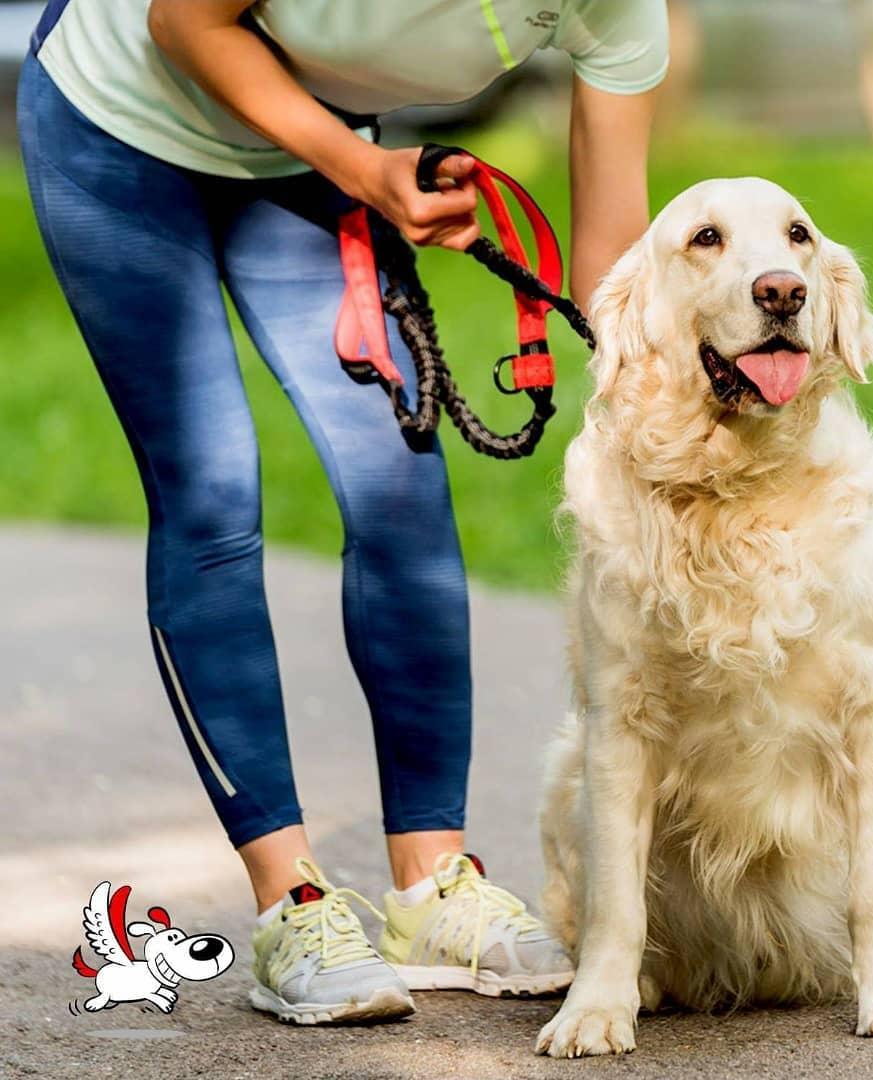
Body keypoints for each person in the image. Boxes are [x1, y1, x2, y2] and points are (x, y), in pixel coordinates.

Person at [19, 0, 668, 1025]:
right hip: (120, 126)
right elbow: (184, 21)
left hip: (307, 159)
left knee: (400, 484)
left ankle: (432, 887)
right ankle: (293, 906)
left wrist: (649, 418)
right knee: (211, 493)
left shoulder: (620, 9)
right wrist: (365, 171)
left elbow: (614, 258)